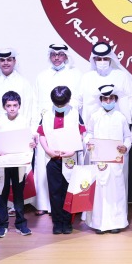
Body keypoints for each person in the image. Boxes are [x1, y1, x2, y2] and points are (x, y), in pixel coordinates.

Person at [0, 48, 37, 216]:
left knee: (18, 171)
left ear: (14, 61)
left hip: (18, 134)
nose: (5, 62)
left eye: (9, 59)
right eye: (2, 60)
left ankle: (17, 205)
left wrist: (31, 134)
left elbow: (31, 110)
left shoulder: (24, 83)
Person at [33, 44, 83, 215]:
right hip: (48, 127)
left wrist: (64, 108)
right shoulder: (42, 76)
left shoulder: (75, 75)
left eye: (60, 54)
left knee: (68, 176)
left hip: (68, 125)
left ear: (66, 56)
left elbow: (78, 100)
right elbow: (36, 103)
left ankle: (69, 212)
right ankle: (46, 206)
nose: (56, 58)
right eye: (53, 55)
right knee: (49, 171)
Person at [36, 86, 85, 234]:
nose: (59, 107)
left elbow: (82, 133)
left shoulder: (75, 114)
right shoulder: (47, 115)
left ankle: (67, 221)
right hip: (53, 159)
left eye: (62, 104)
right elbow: (41, 134)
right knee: (55, 192)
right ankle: (57, 222)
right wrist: (48, 150)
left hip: (70, 159)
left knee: (68, 191)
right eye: (57, 104)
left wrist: (74, 149)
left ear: (69, 100)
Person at [84, 84, 132, 234]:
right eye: (105, 98)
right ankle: (98, 223)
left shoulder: (121, 117)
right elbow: (88, 133)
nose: (108, 101)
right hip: (99, 161)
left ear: (115, 99)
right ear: (101, 100)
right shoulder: (95, 116)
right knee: (99, 191)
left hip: (116, 162)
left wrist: (125, 146)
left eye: (111, 98)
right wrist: (88, 142)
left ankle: (116, 223)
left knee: (116, 192)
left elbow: (128, 137)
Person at [0, 91, 34, 237]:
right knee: (3, 193)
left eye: (15, 105)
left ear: (19, 106)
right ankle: (2, 225)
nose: (12, 108)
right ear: (4, 107)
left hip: (19, 162)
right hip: (3, 163)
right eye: (9, 105)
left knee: (19, 194)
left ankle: (21, 224)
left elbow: (30, 140)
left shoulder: (24, 121)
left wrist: (32, 144)